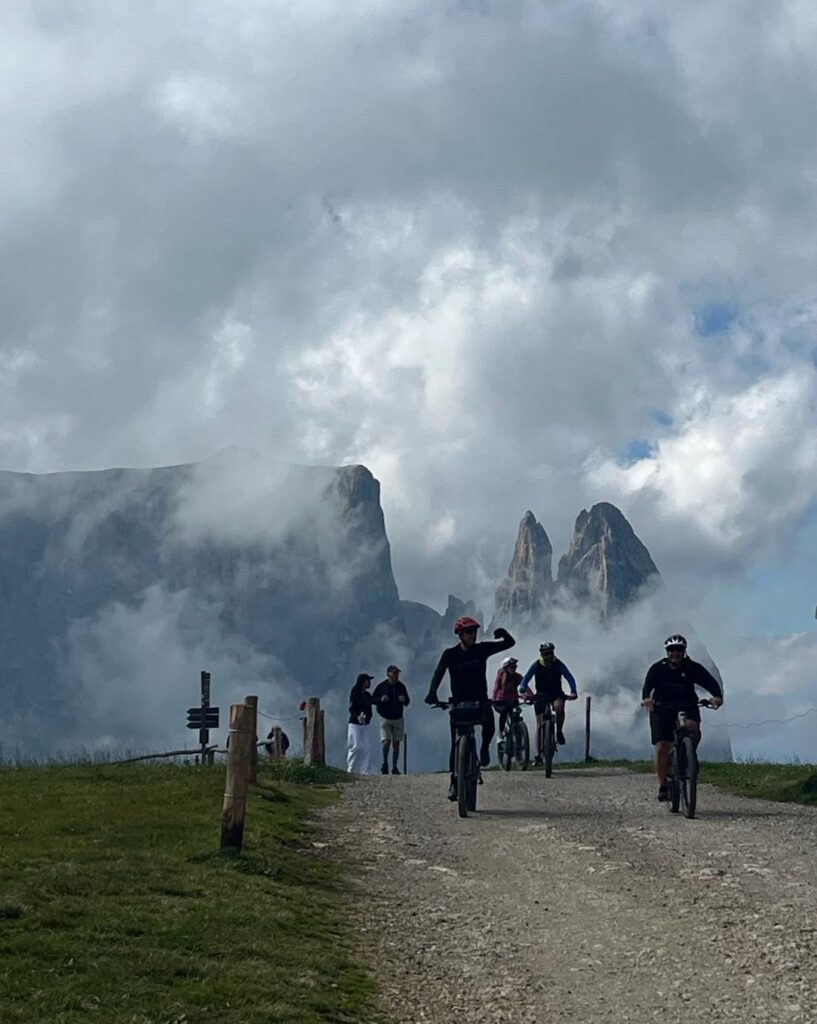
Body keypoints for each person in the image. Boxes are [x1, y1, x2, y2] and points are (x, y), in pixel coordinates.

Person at [424, 616, 515, 801]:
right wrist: (432, 693)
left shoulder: (482, 649)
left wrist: (503, 634)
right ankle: (453, 781)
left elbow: (509, 644)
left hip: (480, 702)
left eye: (474, 631)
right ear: (460, 635)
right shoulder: (449, 654)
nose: (473, 635)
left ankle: (484, 748)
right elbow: (438, 673)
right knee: (455, 743)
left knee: (489, 724)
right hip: (459, 704)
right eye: (468, 632)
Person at [641, 634, 723, 802]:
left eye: (679, 649)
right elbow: (648, 685)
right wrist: (647, 698)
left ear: (684, 651)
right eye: (671, 649)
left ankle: (688, 755)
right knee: (662, 745)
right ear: (667, 652)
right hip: (662, 706)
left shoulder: (692, 667)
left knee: (693, 728)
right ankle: (663, 785)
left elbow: (709, 682)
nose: (675, 653)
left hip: (687, 704)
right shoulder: (658, 668)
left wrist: (716, 695)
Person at [519, 641, 578, 763]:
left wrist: (573, 691)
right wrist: (522, 689)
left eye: (550, 653)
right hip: (541, 695)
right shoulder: (536, 665)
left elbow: (569, 677)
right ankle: (538, 755)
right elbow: (526, 678)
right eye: (546, 654)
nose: (549, 656)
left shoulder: (558, 664)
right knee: (540, 725)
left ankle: (559, 731)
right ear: (541, 654)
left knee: (559, 708)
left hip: (556, 693)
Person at [372, 665, 410, 775]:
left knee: (396, 743)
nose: (396, 675)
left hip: (398, 718)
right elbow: (373, 699)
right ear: (388, 674)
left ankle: (394, 766)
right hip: (385, 718)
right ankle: (385, 763)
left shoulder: (401, 686)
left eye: (397, 673)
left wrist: (404, 700)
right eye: (394, 673)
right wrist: (381, 699)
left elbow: (408, 701)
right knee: (386, 741)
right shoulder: (381, 686)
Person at [347, 673, 374, 774]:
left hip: (365, 724)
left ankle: (364, 770)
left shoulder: (367, 695)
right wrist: (357, 715)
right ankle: (351, 768)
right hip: (354, 724)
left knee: (366, 747)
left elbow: (370, 707)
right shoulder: (355, 693)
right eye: (368, 681)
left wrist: (367, 717)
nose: (369, 683)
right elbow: (352, 708)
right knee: (355, 746)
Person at [492, 655, 522, 736]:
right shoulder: (501, 676)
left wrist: (531, 696)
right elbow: (496, 689)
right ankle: (501, 733)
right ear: (506, 668)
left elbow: (524, 686)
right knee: (504, 713)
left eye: (515, 667)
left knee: (517, 712)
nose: (514, 669)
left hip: (513, 700)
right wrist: (494, 700)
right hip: (501, 701)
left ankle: (518, 731)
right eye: (511, 667)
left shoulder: (517, 676)